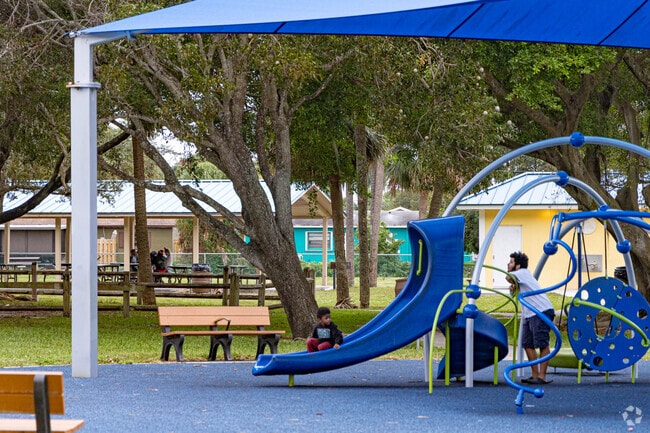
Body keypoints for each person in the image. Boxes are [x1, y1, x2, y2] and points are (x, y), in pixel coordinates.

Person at [506, 251, 555, 385]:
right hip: (530, 313)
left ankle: (542, 376)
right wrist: (513, 288)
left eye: (511, 262)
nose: (508, 264)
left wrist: (512, 281)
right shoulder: (520, 277)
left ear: (518, 265)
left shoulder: (522, 272)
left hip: (541, 311)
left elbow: (508, 277)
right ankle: (535, 374)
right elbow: (513, 294)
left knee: (542, 343)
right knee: (527, 344)